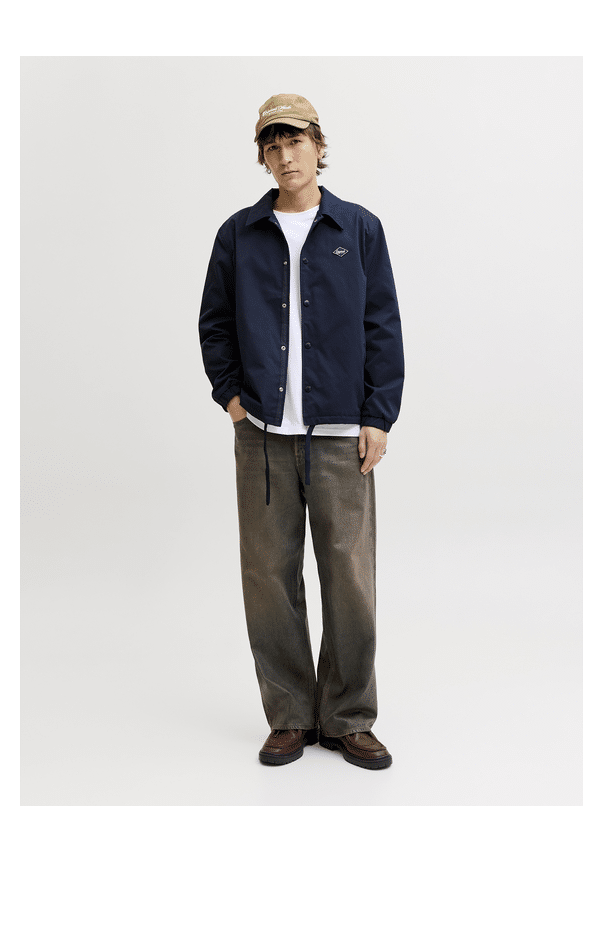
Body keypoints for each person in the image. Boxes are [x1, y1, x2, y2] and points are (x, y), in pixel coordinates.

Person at [198, 93, 404, 770]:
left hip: (343, 433)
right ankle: (289, 715)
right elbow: (214, 323)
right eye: (273, 145)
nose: (285, 155)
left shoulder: (359, 228)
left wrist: (378, 416)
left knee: (350, 578)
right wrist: (234, 401)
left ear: (319, 145)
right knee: (268, 576)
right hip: (262, 433)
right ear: (262, 157)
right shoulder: (238, 234)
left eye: (296, 141)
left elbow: (382, 324)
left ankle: (348, 717)